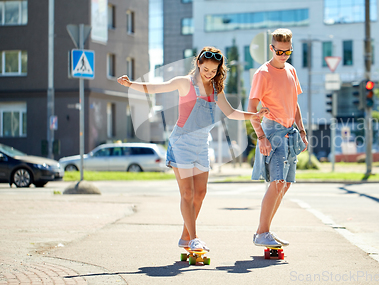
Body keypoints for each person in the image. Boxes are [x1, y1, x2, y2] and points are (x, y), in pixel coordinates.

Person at [117, 47, 268, 252]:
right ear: (198, 63)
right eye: (206, 69)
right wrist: (130, 84)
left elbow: (230, 113)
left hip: (201, 144)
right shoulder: (184, 83)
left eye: (213, 71)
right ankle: (194, 237)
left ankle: (185, 237)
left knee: (201, 193)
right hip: (182, 143)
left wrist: (253, 115)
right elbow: (156, 88)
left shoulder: (216, 89)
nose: (209, 73)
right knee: (187, 193)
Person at [248, 28, 308, 248]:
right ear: (271, 48)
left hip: (290, 132)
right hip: (272, 132)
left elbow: (295, 104)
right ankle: (262, 232)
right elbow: (251, 107)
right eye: (279, 51)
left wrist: (302, 131)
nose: (283, 55)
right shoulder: (262, 73)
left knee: (286, 184)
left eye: (287, 52)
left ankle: (264, 231)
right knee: (277, 181)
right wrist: (261, 136)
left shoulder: (291, 71)